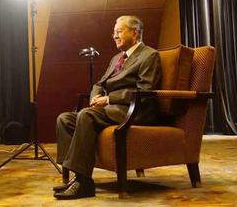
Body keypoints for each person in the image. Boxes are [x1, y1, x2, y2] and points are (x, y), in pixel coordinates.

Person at [53, 15, 161, 200]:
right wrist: (96, 95)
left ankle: (84, 182)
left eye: (119, 31)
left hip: (134, 111)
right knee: (64, 118)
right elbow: (100, 83)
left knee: (86, 115)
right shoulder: (117, 58)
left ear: (134, 33)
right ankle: (72, 176)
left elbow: (145, 91)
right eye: (114, 33)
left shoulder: (149, 55)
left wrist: (109, 98)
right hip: (112, 110)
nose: (115, 36)